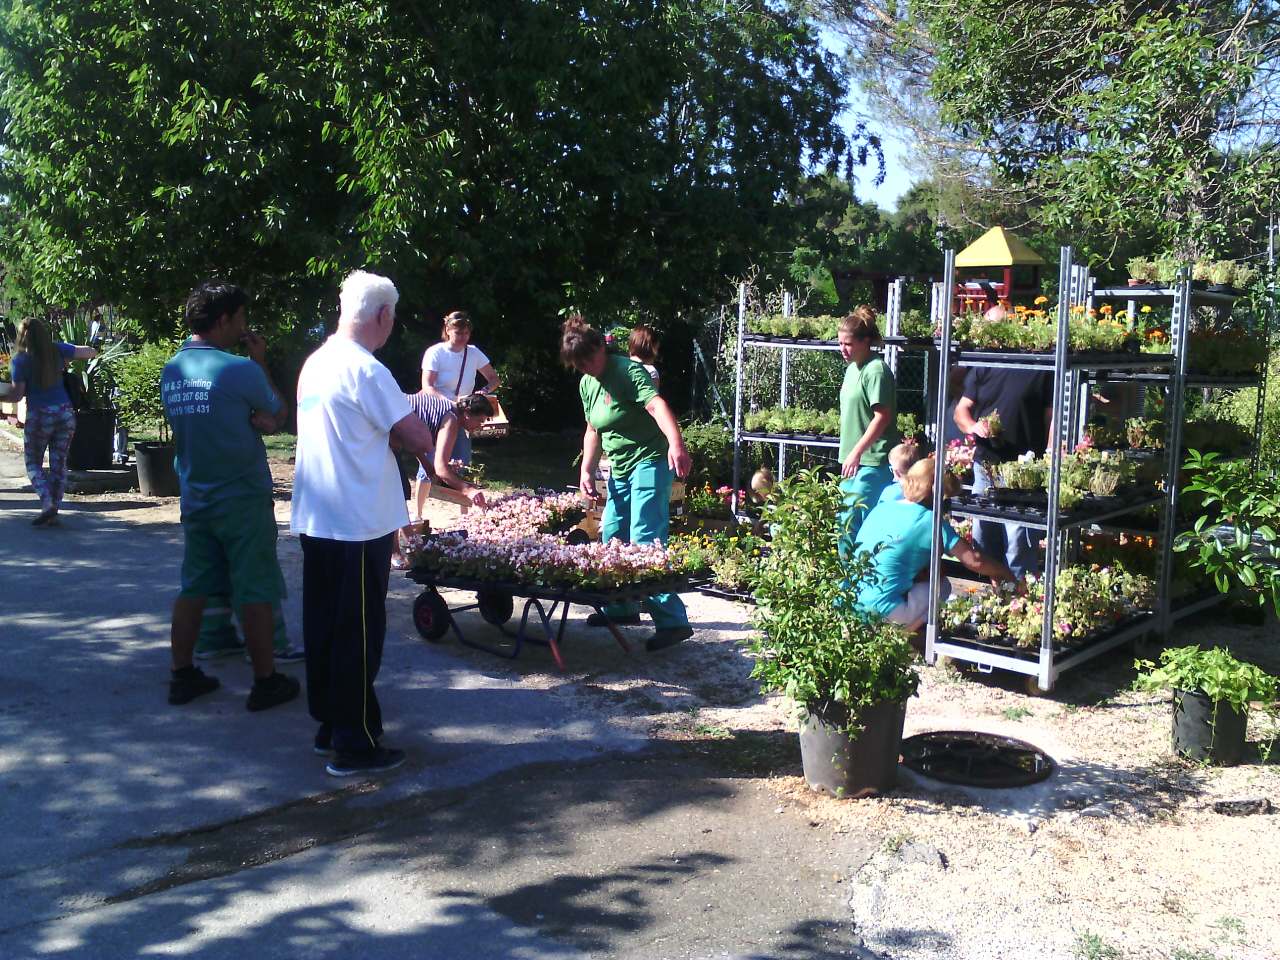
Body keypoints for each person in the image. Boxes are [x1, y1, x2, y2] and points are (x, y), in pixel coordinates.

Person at [292, 270, 439, 777]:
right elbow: (416, 435)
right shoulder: (366, 369)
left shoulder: (316, 363)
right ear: (382, 315)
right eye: (392, 318)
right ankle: (355, 743)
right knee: (358, 633)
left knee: (324, 626)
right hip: (357, 523)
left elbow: (357, 429)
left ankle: (329, 726)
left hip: (319, 516)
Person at [161, 281, 299, 711]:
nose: (243, 326)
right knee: (255, 586)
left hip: (196, 496)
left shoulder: (172, 369)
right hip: (241, 498)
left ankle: (182, 674)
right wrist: (260, 362)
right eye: (240, 318)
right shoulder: (239, 369)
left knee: (194, 585)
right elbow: (278, 413)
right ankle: (266, 681)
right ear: (223, 320)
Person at [562, 315, 694, 651]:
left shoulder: (627, 371)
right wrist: (586, 471)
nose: (586, 367)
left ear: (601, 349)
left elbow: (657, 405)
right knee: (612, 534)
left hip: (650, 460)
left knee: (645, 538)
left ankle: (672, 621)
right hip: (619, 468)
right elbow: (593, 429)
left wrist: (676, 445)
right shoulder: (588, 384)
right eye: (579, 364)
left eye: (589, 359)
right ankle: (622, 607)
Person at [854, 458, 1015, 631]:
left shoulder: (883, 508)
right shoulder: (930, 520)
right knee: (942, 586)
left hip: (852, 602)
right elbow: (974, 560)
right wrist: (1005, 572)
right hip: (884, 609)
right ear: (936, 493)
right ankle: (907, 635)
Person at [953, 307, 1054, 577]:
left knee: (1018, 541)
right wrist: (973, 426)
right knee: (984, 538)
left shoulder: (1038, 366)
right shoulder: (983, 366)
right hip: (986, 465)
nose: (987, 335)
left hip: (1023, 470)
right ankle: (995, 596)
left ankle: (1021, 596)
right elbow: (961, 410)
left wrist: (1050, 454)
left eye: (993, 329)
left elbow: (1051, 417)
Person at [6, 317, 96, 526]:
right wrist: (69, 357)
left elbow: (17, 395)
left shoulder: (20, 360)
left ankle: (47, 503)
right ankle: (54, 508)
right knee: (59, 463)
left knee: (33, 463)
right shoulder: (56, 350)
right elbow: (89, 352)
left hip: (40, 415)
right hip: (65, 413)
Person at [395, 392, 492, 568]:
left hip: (392, 433)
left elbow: (416, 441)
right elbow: (441, 469)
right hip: (384, 433)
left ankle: (412, 548)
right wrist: (467, 490)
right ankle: (402, 551)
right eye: (480, 420)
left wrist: (427, 466)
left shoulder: (448, 411)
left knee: (398, 493)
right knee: (397, 492)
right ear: (467, 413)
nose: (480, 426)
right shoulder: (451, 420)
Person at [837, 306, 899, 550]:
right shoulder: (852, 369)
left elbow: (882, 417)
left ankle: (854, 575)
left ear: (866, 342)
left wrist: (857, 452)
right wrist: (851, 454)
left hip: (872, 462)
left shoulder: (876, 371)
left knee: (851, 521)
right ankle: (844, 574)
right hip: (851, 461)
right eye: (840, 343)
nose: (843, 349)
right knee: (842, 524)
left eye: (848, 344)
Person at [420, 310, 500, 466]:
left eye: (466, 333)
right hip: (438, 412)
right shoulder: (435, 352)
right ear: (448, 330)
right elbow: (427, 386)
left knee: (461, 462)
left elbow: (494, 379)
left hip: (463, 413)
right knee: (431, 462)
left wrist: (483, 392)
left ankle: (456, 481)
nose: (463, 337)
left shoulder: (474, 353)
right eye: (458, 333)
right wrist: (450, 404)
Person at [876, 440, 925, 506]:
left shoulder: (890, 492)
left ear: (897, 473)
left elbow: (881, 509)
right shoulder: (924, 490)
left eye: (891, 468)